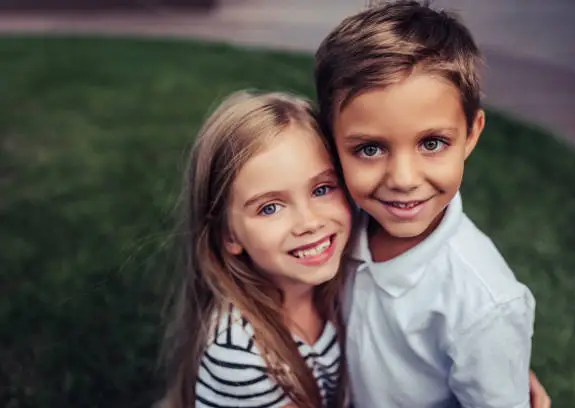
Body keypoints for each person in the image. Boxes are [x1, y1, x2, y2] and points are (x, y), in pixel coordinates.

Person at [314, 1, 549, 407]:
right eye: (370, 148)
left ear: (471, 134)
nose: (403, 180)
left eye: (432, 143)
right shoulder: (337, 222)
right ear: (330, 140)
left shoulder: (484, 303)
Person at [160, 91, 352, 408]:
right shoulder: (243, 353)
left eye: (321, 189)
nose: (308, 222)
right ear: (228, 235)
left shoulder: (345, 281)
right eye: (269, 208)